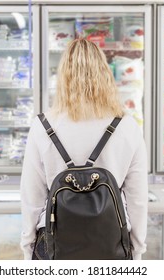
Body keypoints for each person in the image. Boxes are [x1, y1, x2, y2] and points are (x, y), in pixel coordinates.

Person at [20, 38, 148, 260]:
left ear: (63, 77)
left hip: (54, 245)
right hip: (111, 244)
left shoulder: (42, 126)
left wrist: (27, 247)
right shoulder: (127, 126)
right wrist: (137, 250)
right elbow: (138, 199)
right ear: (105, 73)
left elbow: (32, 197)